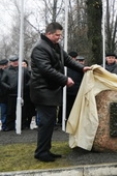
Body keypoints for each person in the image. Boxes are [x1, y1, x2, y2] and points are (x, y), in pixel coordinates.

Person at [30, 22, 91, 162]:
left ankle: (45, 149)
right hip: (42, 90)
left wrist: (82, 68)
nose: (59, 37)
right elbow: (46, 69)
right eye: (57, 35)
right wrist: (64, 79)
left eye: (60, 35)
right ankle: (41, 152)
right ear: (49, 33)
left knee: (50, 121)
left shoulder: (55, 46)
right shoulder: (40, 48)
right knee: (46, 122)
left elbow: (68, 60)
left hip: (50, 90)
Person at [1, 55, 31, 131]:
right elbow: (2, 81)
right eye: (13, 62)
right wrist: (9, 87)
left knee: (23, 111)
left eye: (16, 61)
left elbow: (30, 79)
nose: (15, 63)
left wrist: (26, 86)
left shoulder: (24, 70)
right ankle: (10, 126)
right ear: (10, 62)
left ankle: (23, 125)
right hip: (11, 94)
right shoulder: (6, 71)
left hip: (22, 94)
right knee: (10, 111)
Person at [66, 55, 85, 120]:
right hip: (69, 91)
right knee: (68, 108)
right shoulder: (68, 69)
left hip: (78, 92)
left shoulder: (84, 70)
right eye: (79, 61)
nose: (80, 62)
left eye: (82, 61)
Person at [0, 59, 9, 131]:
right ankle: (4, 125)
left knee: (5, 111)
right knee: (3, 112)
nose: (4, 66)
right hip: (2, 95)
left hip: (7, 95)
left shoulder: (8, 72)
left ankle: (6, 125)